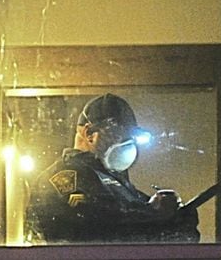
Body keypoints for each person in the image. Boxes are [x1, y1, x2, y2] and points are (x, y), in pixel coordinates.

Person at [26, 93, 200, 244]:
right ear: (89, 134)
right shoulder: (65, 176)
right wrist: (154, 213)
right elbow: (101, 226)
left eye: (130, 136)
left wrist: (178, 218)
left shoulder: (116, 182)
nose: (126, 142)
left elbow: (151, 231)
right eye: (118, 133)